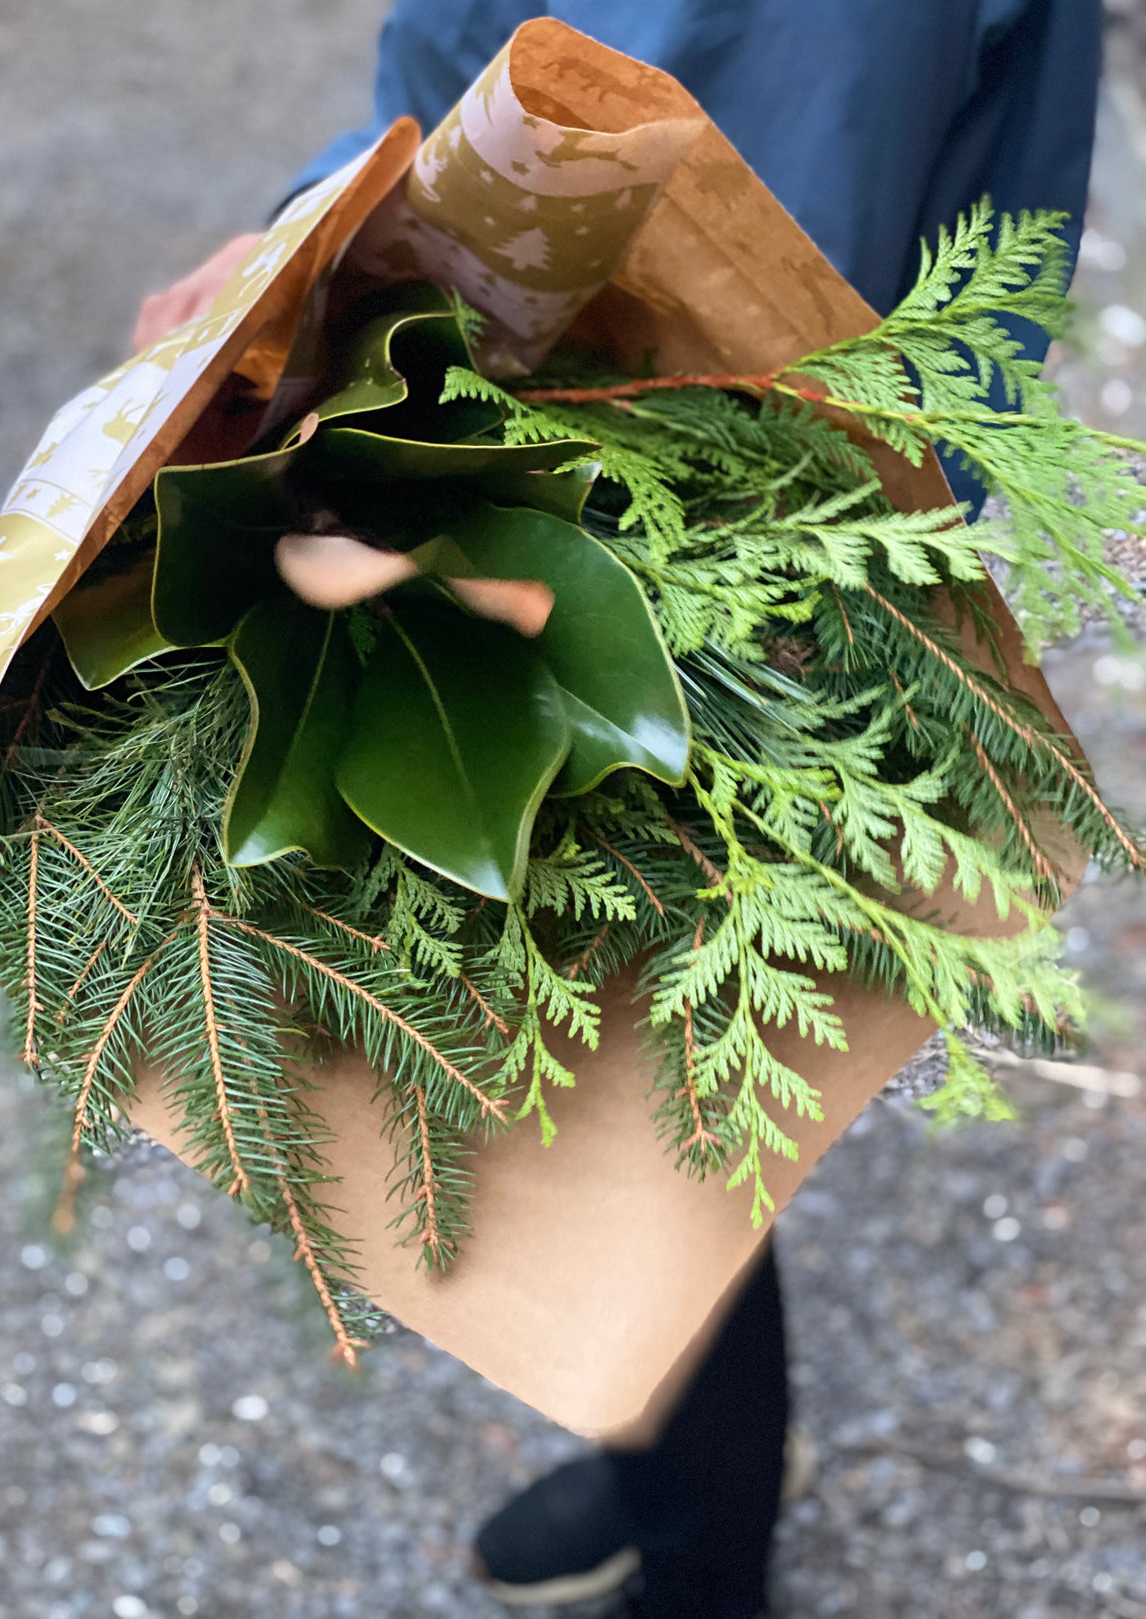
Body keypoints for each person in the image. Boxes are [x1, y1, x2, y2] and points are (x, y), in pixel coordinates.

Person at [134, 4, 1101, 1614]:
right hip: (537, 449)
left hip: (734, 494)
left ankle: (706, 1545)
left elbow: (837, 222)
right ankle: (678, 1472)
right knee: (582, 1038)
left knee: (666, 1052)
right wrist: (302, 248)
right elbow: (454, 84)